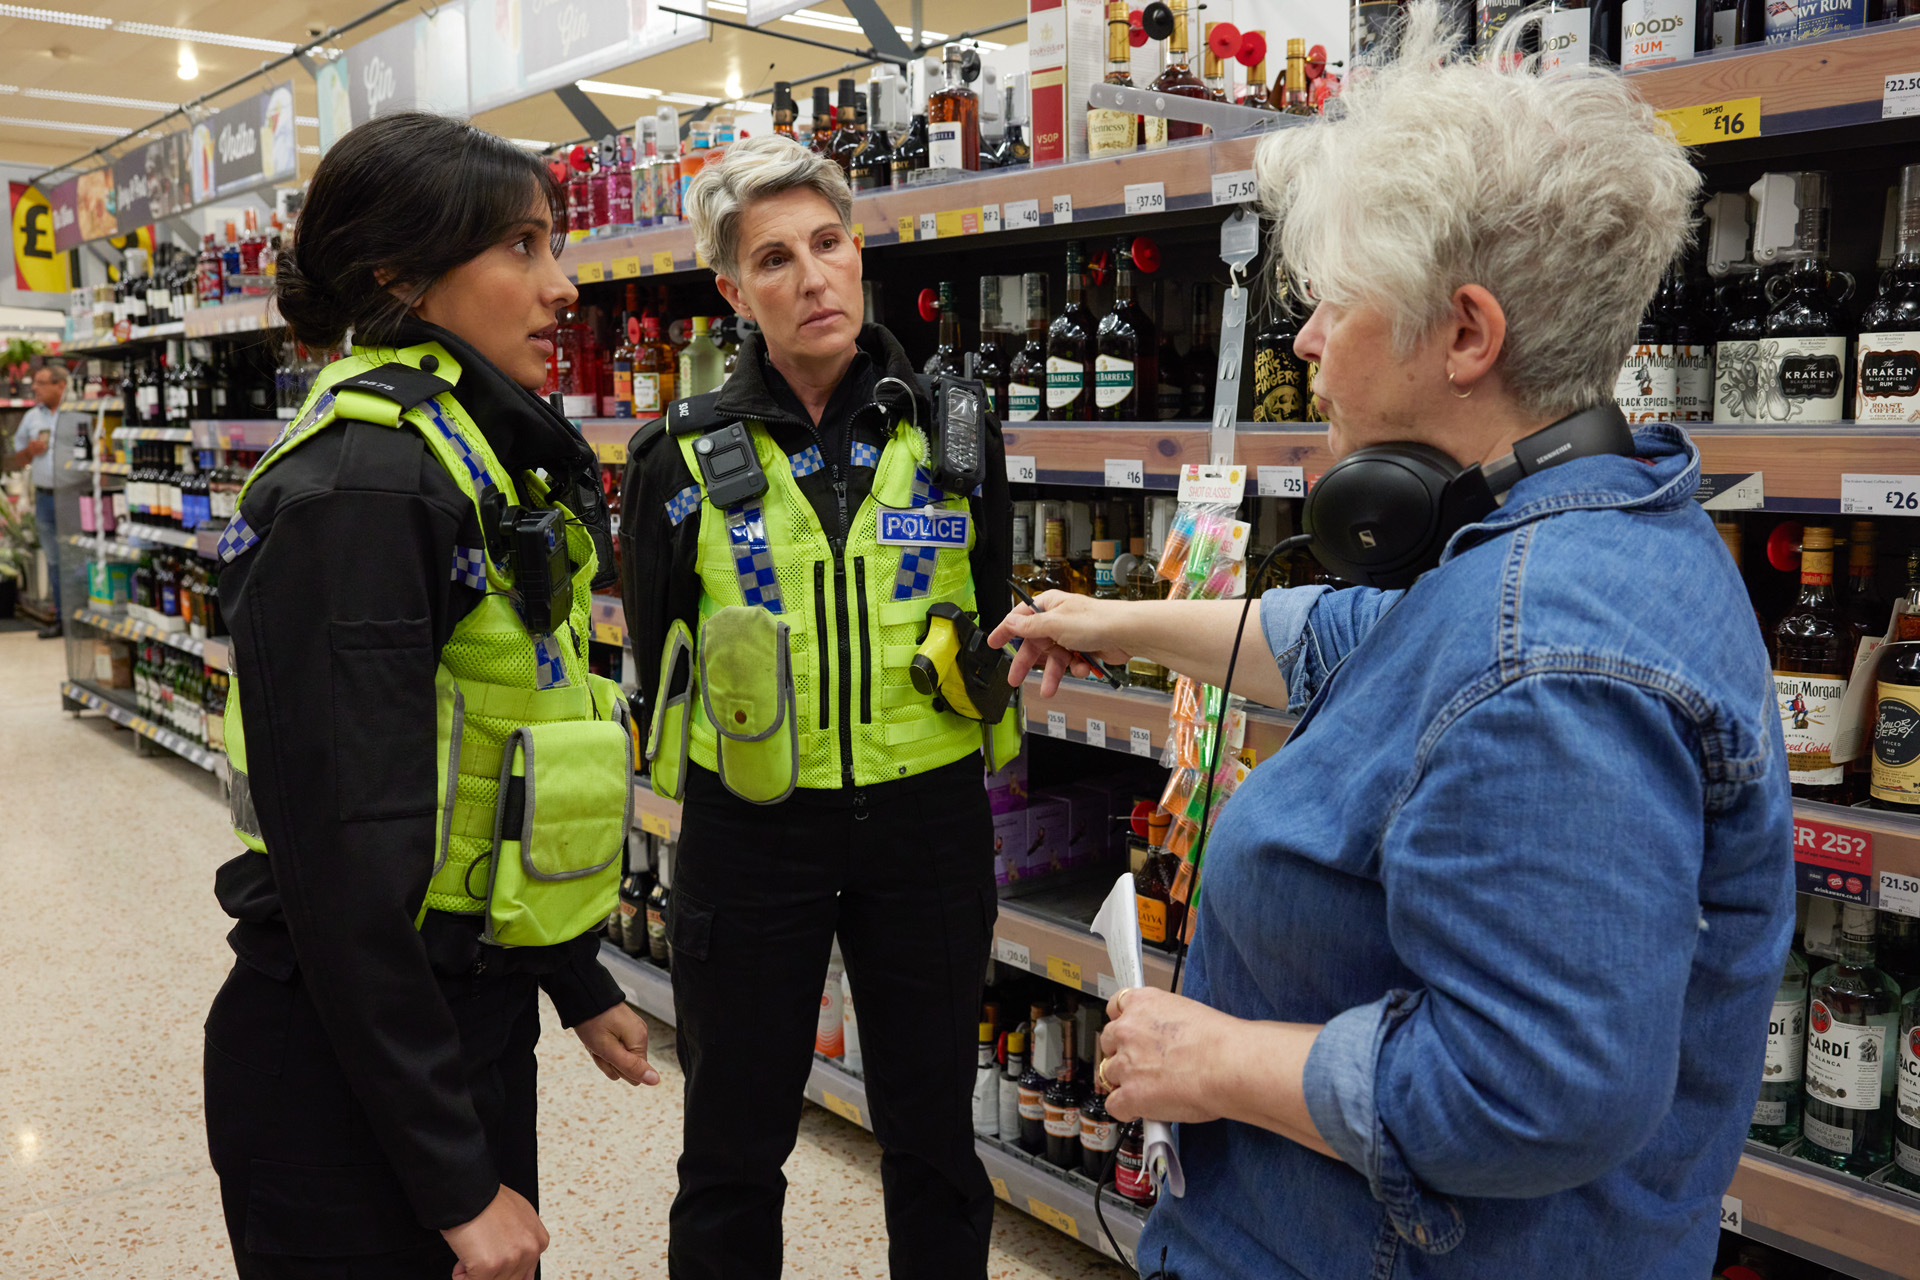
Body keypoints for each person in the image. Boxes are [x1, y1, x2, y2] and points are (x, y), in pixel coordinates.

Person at [991, 9, 1794, 1277]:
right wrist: (1113, 622)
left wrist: (1212, 1059)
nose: (1303, 341)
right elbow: (1367, 644)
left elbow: (1534, 1088)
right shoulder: (1556, 530)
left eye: (1334, 304)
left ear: (1467, 336)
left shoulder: (1550, 665)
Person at [206, 112, 658, 1280]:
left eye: (552, 243)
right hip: (347, 1067)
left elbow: (494, 744)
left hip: (456, 1014)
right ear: (398, 278)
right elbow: (347, 865)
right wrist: (454, 1175)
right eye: (520, 247)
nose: (563, 287)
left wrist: (570, 974)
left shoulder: (467, 459)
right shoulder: (365, 492)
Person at [620, 132, 1018, 1280]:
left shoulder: (956, 432)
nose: (813, 277)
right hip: (753, 833)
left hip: (927, 828)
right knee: (734, 1147)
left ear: (860, 253)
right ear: (733, 290)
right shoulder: (677, 460)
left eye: (831, 244)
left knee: (937, 1139)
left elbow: (986, 610)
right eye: (777, 257)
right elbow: (658, 644)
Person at [6, 363, 72, 637]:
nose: (34, 387)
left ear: (60, 385)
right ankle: (62, 620)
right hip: (45, 499)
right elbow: (14, 459)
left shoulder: (77, 413)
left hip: (75, 497)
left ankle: (82, 617)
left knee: (77, 556)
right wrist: (29, 452)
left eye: (41, 382)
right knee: (55, 560)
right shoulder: (32, 417)